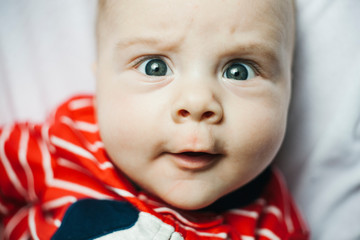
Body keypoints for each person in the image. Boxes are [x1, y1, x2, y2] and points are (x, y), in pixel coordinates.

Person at [0, 0, 309, 239]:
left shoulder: (270, 219)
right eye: (154, 68)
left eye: (239, 71)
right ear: (100, 85)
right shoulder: (68, 142)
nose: (198, 102)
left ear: (289, 88)